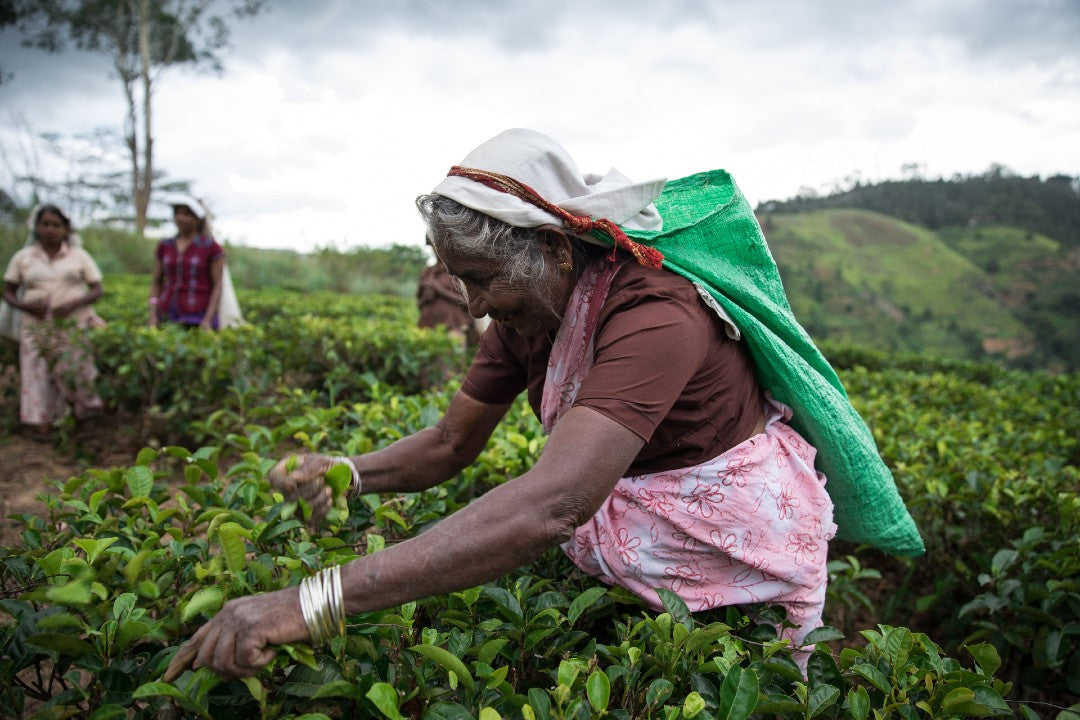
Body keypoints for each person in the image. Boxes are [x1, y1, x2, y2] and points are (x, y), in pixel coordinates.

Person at [165, 129, 922, 681]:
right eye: (457, 278)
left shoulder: (657, 309)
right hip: (620, 555)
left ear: (557, 250)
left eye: (482, 277)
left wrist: (312, 599)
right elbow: (448, 444)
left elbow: (554, 502)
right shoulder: (526, 312)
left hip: (733, 562)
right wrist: (346, 472)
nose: (472, 305)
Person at [1, 204, 105, 438]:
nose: (50, 230)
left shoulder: (79, 256)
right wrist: (25, 305)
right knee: (37, 371)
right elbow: (8, 291)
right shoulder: (24, 257)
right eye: (45, 224)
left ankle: (81, 417)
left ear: (66, 229)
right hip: (35, 324)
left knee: (76, 366)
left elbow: (97, 289)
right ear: (36, 227)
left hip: (73, 323)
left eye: (56, 225)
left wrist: (71, 304)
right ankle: (43, 423)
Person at [150, 194, 242, 330]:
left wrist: (207, 320)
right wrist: (153, 315)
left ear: (198, 219)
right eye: (177, 213)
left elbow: (217, 285)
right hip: (167, 313)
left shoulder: (211, 247)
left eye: (186, 214)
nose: (180, 218)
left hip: (198, 316)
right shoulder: (165, 246)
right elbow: (157, 282)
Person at [416, 236, 478, 345]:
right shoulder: (427, 272)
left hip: (453, 326)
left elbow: (468, 303)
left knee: (451, 360)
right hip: (427, 326)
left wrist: (439, 290)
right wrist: (426, 298)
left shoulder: (459, 271)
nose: (436, 249)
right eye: (433, 245)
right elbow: (419, 303)